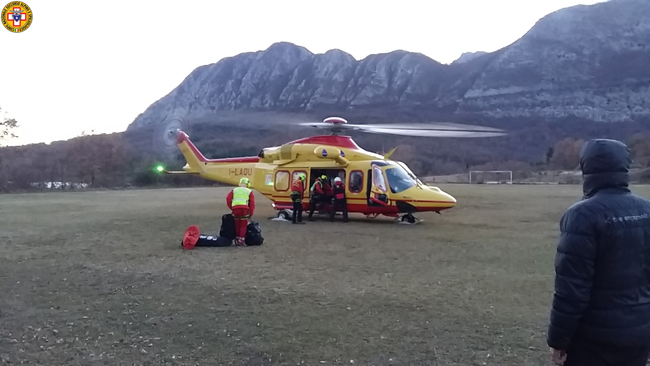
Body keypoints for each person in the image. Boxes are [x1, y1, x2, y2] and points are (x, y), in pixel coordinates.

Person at [547, 139, 650, 366]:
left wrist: (559, 340)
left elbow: (571, 289)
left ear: (586, 167)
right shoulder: (647, 210)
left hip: (594, 340)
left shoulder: (582, 216)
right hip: (640, 333)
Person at [226, 177, 255, 246]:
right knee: (243, 225)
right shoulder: (249, 191)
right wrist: (251, 213)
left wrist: (232, 207)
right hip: (244, 209)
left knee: (237, 224)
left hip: (235, 209)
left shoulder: (234, 190)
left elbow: (228, 199)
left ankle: (236, 238)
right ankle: (241, 240)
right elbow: (252, 204)